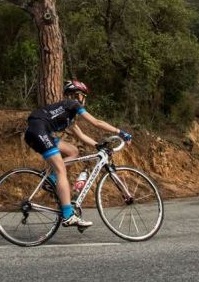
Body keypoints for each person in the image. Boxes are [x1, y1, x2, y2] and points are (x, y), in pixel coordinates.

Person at [23, 80, 132, 229]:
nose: (84, 100)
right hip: (39, 130)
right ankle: (68, 215)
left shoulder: (69, 115)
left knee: (73, 151)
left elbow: (81, 136)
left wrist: (98, 146)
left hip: (38, 131)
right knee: (61, 170)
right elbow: (97, 122)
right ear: (79, 95)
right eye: (84, 96)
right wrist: (120, 132)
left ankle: (52, 180)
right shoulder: (73, 104)